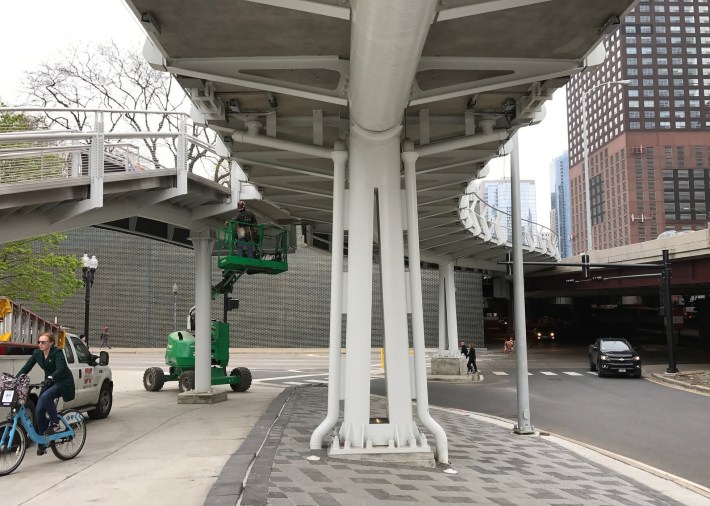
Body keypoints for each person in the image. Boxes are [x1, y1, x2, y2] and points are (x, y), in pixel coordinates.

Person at [17, 332, 75, 456]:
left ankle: (54, 424)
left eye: (43, 342)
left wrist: (50, 377)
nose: (40, 344)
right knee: (38, 411)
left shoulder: (57, 353)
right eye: (39, 342)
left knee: (45, 396)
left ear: (51, 343)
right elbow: (26, 368)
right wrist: (16, 380)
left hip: (63, 382)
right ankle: (43, 441)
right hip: (49, 382)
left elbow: (60, 369)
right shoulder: (37, 354)